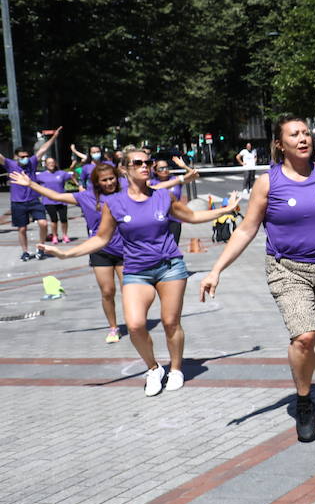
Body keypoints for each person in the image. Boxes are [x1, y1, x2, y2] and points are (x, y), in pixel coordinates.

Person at [39, 151, 241, 395]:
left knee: (170, 322)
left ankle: (176, 369)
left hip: (169, 267)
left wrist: (226, 209)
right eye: (138, 163)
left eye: (148, 163)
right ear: (125, 169)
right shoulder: (113, 203)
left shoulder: (162, 196)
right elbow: (101, 238)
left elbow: (193, 216)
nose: (145, 166)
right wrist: (67, 254)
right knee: (135, 325)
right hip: (136, 270)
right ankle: (154, 368)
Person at [199, 116, 315, 442]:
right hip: (287, 269)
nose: (303, 138)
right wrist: (216, 269)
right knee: (304, 337)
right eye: (294, 134)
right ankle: (304, 404)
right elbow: (246, 228)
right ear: (280, 143)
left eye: (306, 132)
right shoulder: (269, 182)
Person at [9, 161, 124, 342]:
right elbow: (57, 195)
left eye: (112, 179)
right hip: (99, 250)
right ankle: (113, 327)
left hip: (125, 250)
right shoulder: (86, 197)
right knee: (108, 291)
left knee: (131, 290)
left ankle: (136, 323)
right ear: (96, 182)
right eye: (104, 180)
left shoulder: (125, 195)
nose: (109, 183)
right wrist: (31, 184)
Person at [3, 128, 61, 261]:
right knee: (22, 229)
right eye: (22, 157)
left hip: (34, 200)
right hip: (18, 202)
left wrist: (54, 137)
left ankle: (41, 248)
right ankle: (25, 251)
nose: (25, 159)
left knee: (43, 224)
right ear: (16, 157)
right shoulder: (10, 164)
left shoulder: (32, 162)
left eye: (26, 156)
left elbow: (43, 149)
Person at [150, 158, 198, 245]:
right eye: (161, 168)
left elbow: (195, 176)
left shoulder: (175, 179)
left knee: (173, 246)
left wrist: (184, 166)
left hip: (175, 219)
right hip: (158, 219)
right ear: (155, 171)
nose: (165, 170)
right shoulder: (152, 183)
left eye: (166, 167)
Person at [34, 156, 73, 242]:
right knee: (54, 219)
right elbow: (33, 183)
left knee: (63, 219)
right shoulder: (41, 176)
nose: (51, 164)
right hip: (48, 201)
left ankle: (65, 235)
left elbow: (73, 176)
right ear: (46, 165)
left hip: (62, 200)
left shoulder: (61, 173)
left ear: (55, 163)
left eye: (52, 162)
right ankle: (54, 236)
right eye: (49, 163)